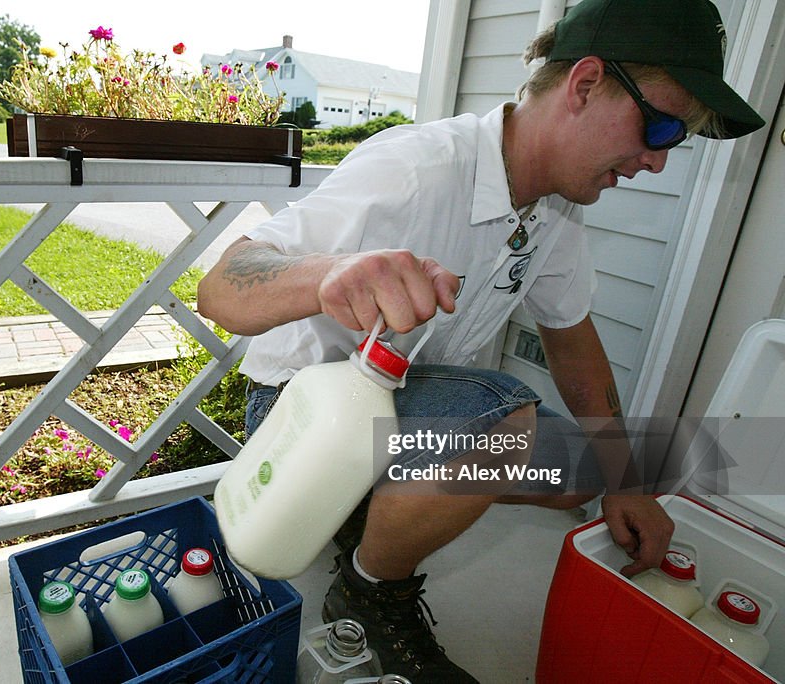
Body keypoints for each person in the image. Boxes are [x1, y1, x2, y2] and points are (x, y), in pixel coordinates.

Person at [197, 0, 765, 680]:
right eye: (662, 125)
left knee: (579, 468)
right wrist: (330, 274)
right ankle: (372, 588)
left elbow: (573, 339)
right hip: (304, 421)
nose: (656, 162)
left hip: (402, 407)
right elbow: (222, 286)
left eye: (677, 141)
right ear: (585, 84)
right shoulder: (416, 168)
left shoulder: (552, 211)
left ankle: (370, 512)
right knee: (508, 422)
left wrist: (625, 480)